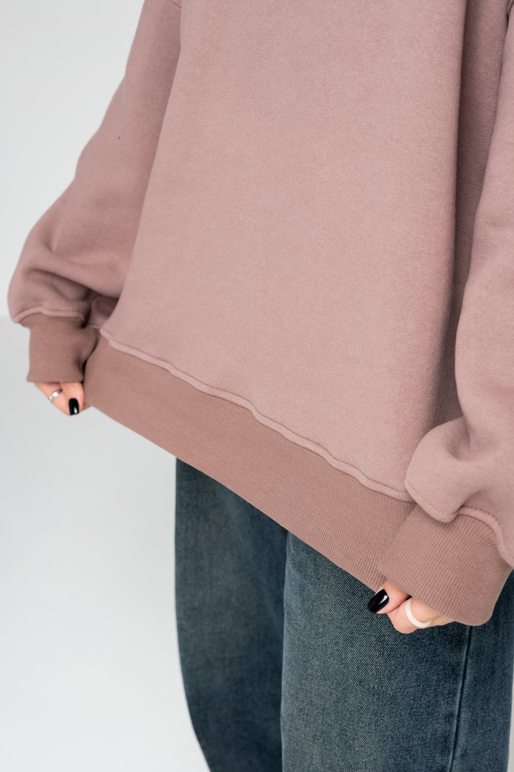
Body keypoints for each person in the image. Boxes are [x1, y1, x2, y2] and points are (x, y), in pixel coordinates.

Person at [7, 0, 514, 768]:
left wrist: (487, 492)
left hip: (399, 463)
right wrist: (76, 269)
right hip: (216, 386)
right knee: (238, 745)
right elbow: (174, 37)